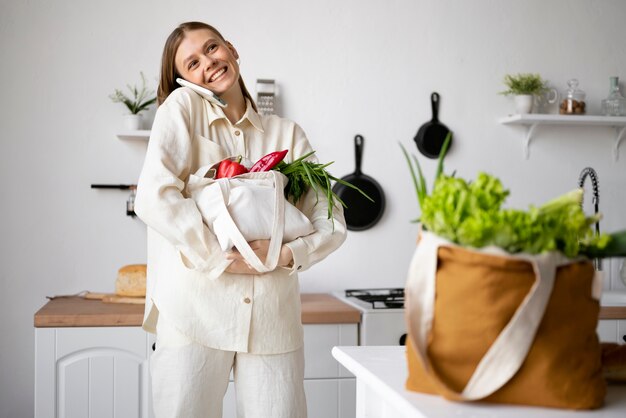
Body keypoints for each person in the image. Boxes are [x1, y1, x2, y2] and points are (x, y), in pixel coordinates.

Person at [134, 21, 347, 418]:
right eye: (192, 62)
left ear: (231, 48)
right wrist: (221, 256)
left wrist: (286, 253)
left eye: (212, 48)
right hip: (192, 313)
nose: (208, 63)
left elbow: (331, 217)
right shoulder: (180, 110)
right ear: (183, 79)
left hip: (272, 318)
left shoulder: (288, 134)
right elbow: (154, 198)